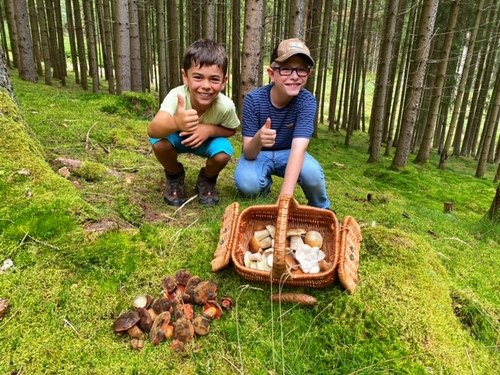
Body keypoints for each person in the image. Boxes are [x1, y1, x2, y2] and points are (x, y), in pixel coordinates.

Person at [234, 38, 331, 209]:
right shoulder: (253, 100)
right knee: (248, 183)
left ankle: (321, 208)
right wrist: (258, 138)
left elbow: (299, 149)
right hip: (259, 154)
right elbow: (249, 153)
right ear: (272, 73)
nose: (294, 76)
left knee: (312, 174)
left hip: (290, 153)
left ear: (307, 75)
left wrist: (285, 198)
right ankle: (263, 189)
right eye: (286, 69)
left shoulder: (307, 101)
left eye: (301, 70)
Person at [148, 39, 240, 206]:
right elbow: (153, 130)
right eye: (198, 77)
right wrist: (175, 123)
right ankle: (174, 175)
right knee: (159, 144)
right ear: (185, 77)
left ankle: (208, 179)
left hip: (207, 141)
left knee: (223, 154)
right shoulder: (177, 96)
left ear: (224, 81)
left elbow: (232, 130)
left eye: (214, 79)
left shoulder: (225, 106)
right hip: (178, 137)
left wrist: (210, 130)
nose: (206, 86)